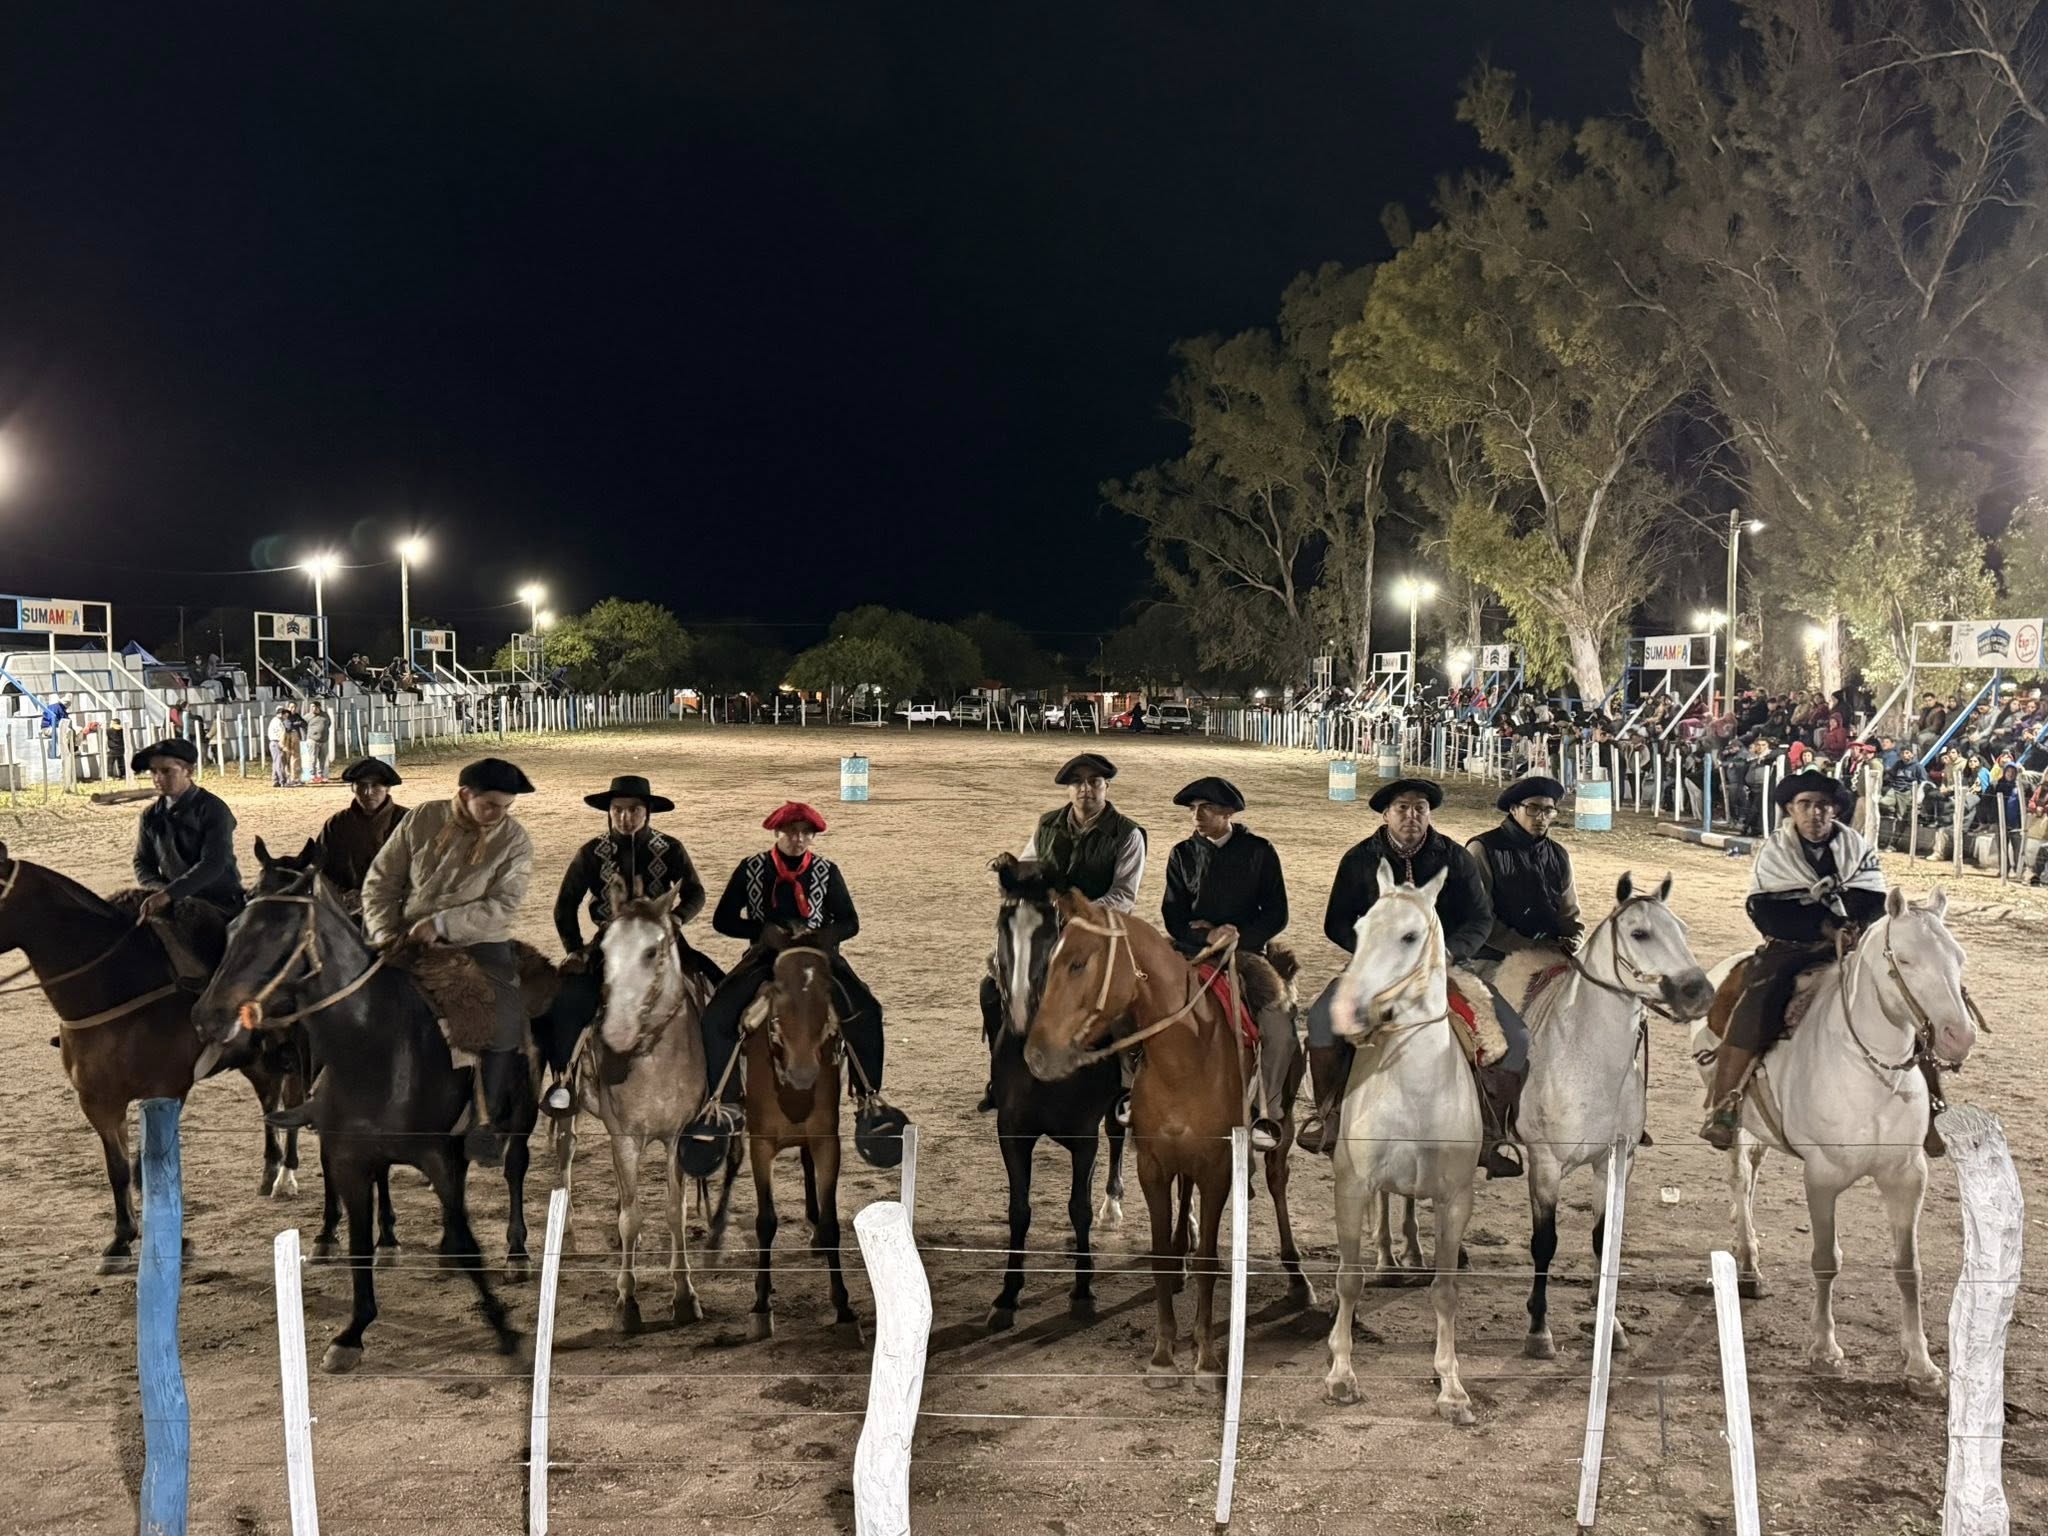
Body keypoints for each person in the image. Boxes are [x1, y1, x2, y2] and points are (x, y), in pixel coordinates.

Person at [1300, 777, 1526, 1178]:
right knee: (1321, 1020)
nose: (1411, 816)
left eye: (1420, 808)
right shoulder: (1359, 859)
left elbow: (1480, 919)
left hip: (1447, 967)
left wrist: (1448, 952)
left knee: (1515, 1036)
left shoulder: (1456, 859)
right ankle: (1329, 1115)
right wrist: (1376, 953)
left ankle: (1492, 1132)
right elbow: (1335, 921)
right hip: (1375, 969)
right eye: (1402, 808)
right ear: (1386, 815)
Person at [1702, 769, 1909, 1151]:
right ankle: (1725, 1103)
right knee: (1759, 998)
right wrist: (1825, 929)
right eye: (1806, 805)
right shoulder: (1775, 852)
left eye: (1824, 806)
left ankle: (1925, 1103)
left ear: (1836, 811)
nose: (1815, 814)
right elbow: (1763, 908)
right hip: (1794, 944)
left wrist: (1855, 927)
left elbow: (1873, 900)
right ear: (1790, 810)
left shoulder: (1857, 848)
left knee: (1907, 994)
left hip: (1855, 942)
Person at [696, 802, 898, 1162]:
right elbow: (722, 919)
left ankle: (869, 1097)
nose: (798, 839)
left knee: (867, 1009)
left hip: (817, 958)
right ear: (777, 832)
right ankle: (725, 1101)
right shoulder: (751, 869)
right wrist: (761, 931)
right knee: (716, 1015)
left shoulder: (826, 871)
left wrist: (824, 936)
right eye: (791, 831)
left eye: (806, 833)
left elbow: (850, 922)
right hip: (766, 959)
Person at [362, 757, 538, 1152]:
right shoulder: (423, 818)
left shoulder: (515, 841)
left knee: (504, 1014)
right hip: (401, 935)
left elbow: (503, 905)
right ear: (464, 794)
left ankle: (487, 1118)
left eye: (507, 807)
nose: (499, 814)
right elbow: (381, 880)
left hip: (478, 940)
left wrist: (442, 925)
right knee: (343, 994)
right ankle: (327, 1093)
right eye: (491, 805)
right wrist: (387, 933)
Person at [977, 752, 1147, 1112]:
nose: (1086, 789)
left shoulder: (1128, 834)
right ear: (1069, 789)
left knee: (1124, 1002)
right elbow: (1029, 869)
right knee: (993, 989)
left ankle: (1127, 1085)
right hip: (1049, 930)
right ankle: (1000, 1070)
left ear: (1106, 787)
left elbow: (1124, 896)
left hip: (1099, 934)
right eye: (1078, 783)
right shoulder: (1047, 824)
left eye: (1094, 782)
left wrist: (1074, 911)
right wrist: (1013, 874)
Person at [542, 774, 714, 1111]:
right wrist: (575, 950)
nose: (625, 817)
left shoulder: (670, 848)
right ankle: (564, 1082)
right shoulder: (591, 853)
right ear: (609, 811)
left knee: (714, 989)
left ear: (647, 812)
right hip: (610, 946)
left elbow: (695, 892)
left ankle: (717, 1087)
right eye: (618, 810)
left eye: (634, 810)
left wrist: (677, 919)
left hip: (661, 944)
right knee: (567, 1002)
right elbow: (565, 906)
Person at [1159, 775, 1291, 1151]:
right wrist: (1205, 937)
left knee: (1279, 1026)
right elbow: (1173, 914)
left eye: (1207, 809)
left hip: (1248, 953)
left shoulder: (1259, 851)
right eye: (1194, 809)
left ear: (1228, 812)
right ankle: (1133, 1093)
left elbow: (1277, 913)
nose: (1197, 815)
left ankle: (1270, 1107)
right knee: (1143, 1004)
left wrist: (1238, 937)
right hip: (1191, 951)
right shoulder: (1181, 853)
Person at [131, 736, 244, 984]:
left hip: (219, 901)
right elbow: (142, 863)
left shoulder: (213, 809)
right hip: (173, 902)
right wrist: (161, 891)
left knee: (233, 969)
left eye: (166, 771)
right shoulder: (151, 815)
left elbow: (213, 864)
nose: (158, 778)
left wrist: (170, 894)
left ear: (188, 771)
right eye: (153, 772)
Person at [1465, 776, 1583, 973]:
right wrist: (1533, 947)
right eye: (1533, 808)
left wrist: (1574, 939)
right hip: (1494, 958)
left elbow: (1568, 912)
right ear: (1513, 809)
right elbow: (1478, 918)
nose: (1541, 817)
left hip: (1550, 956)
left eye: (1548, 810)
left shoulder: (1558, 854)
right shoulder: (1483, 849)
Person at [315, 758, 408, 906]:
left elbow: (421, 869)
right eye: (361, 785)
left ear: (387, 788)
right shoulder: (337, 823)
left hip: (396, 904)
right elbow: (322, 869)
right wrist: (342, 894)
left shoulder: (407, 821)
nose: (368, 792)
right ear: (353, 788)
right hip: (347, 905)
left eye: (375, 785)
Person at [304, 700, 332, 783]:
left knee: (322, 758)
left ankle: (321, 775)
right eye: (312, 707)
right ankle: (312, 775)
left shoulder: (325, 715)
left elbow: (329, 724)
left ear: (319, 707)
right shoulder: (307, 716)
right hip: (312, 740)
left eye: (315, 707)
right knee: (313, 758)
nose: (313, 709)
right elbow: (303, 726)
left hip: (324, 740)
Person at [266, 704, 293, 787]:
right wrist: (283, 745)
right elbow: (280, 735)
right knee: (279, 763)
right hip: (277, 742)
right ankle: (282, 781)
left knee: (276, 762)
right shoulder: (277, 722)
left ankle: (275, 780)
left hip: (274, 743)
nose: (286, 715)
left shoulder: (276, 721)